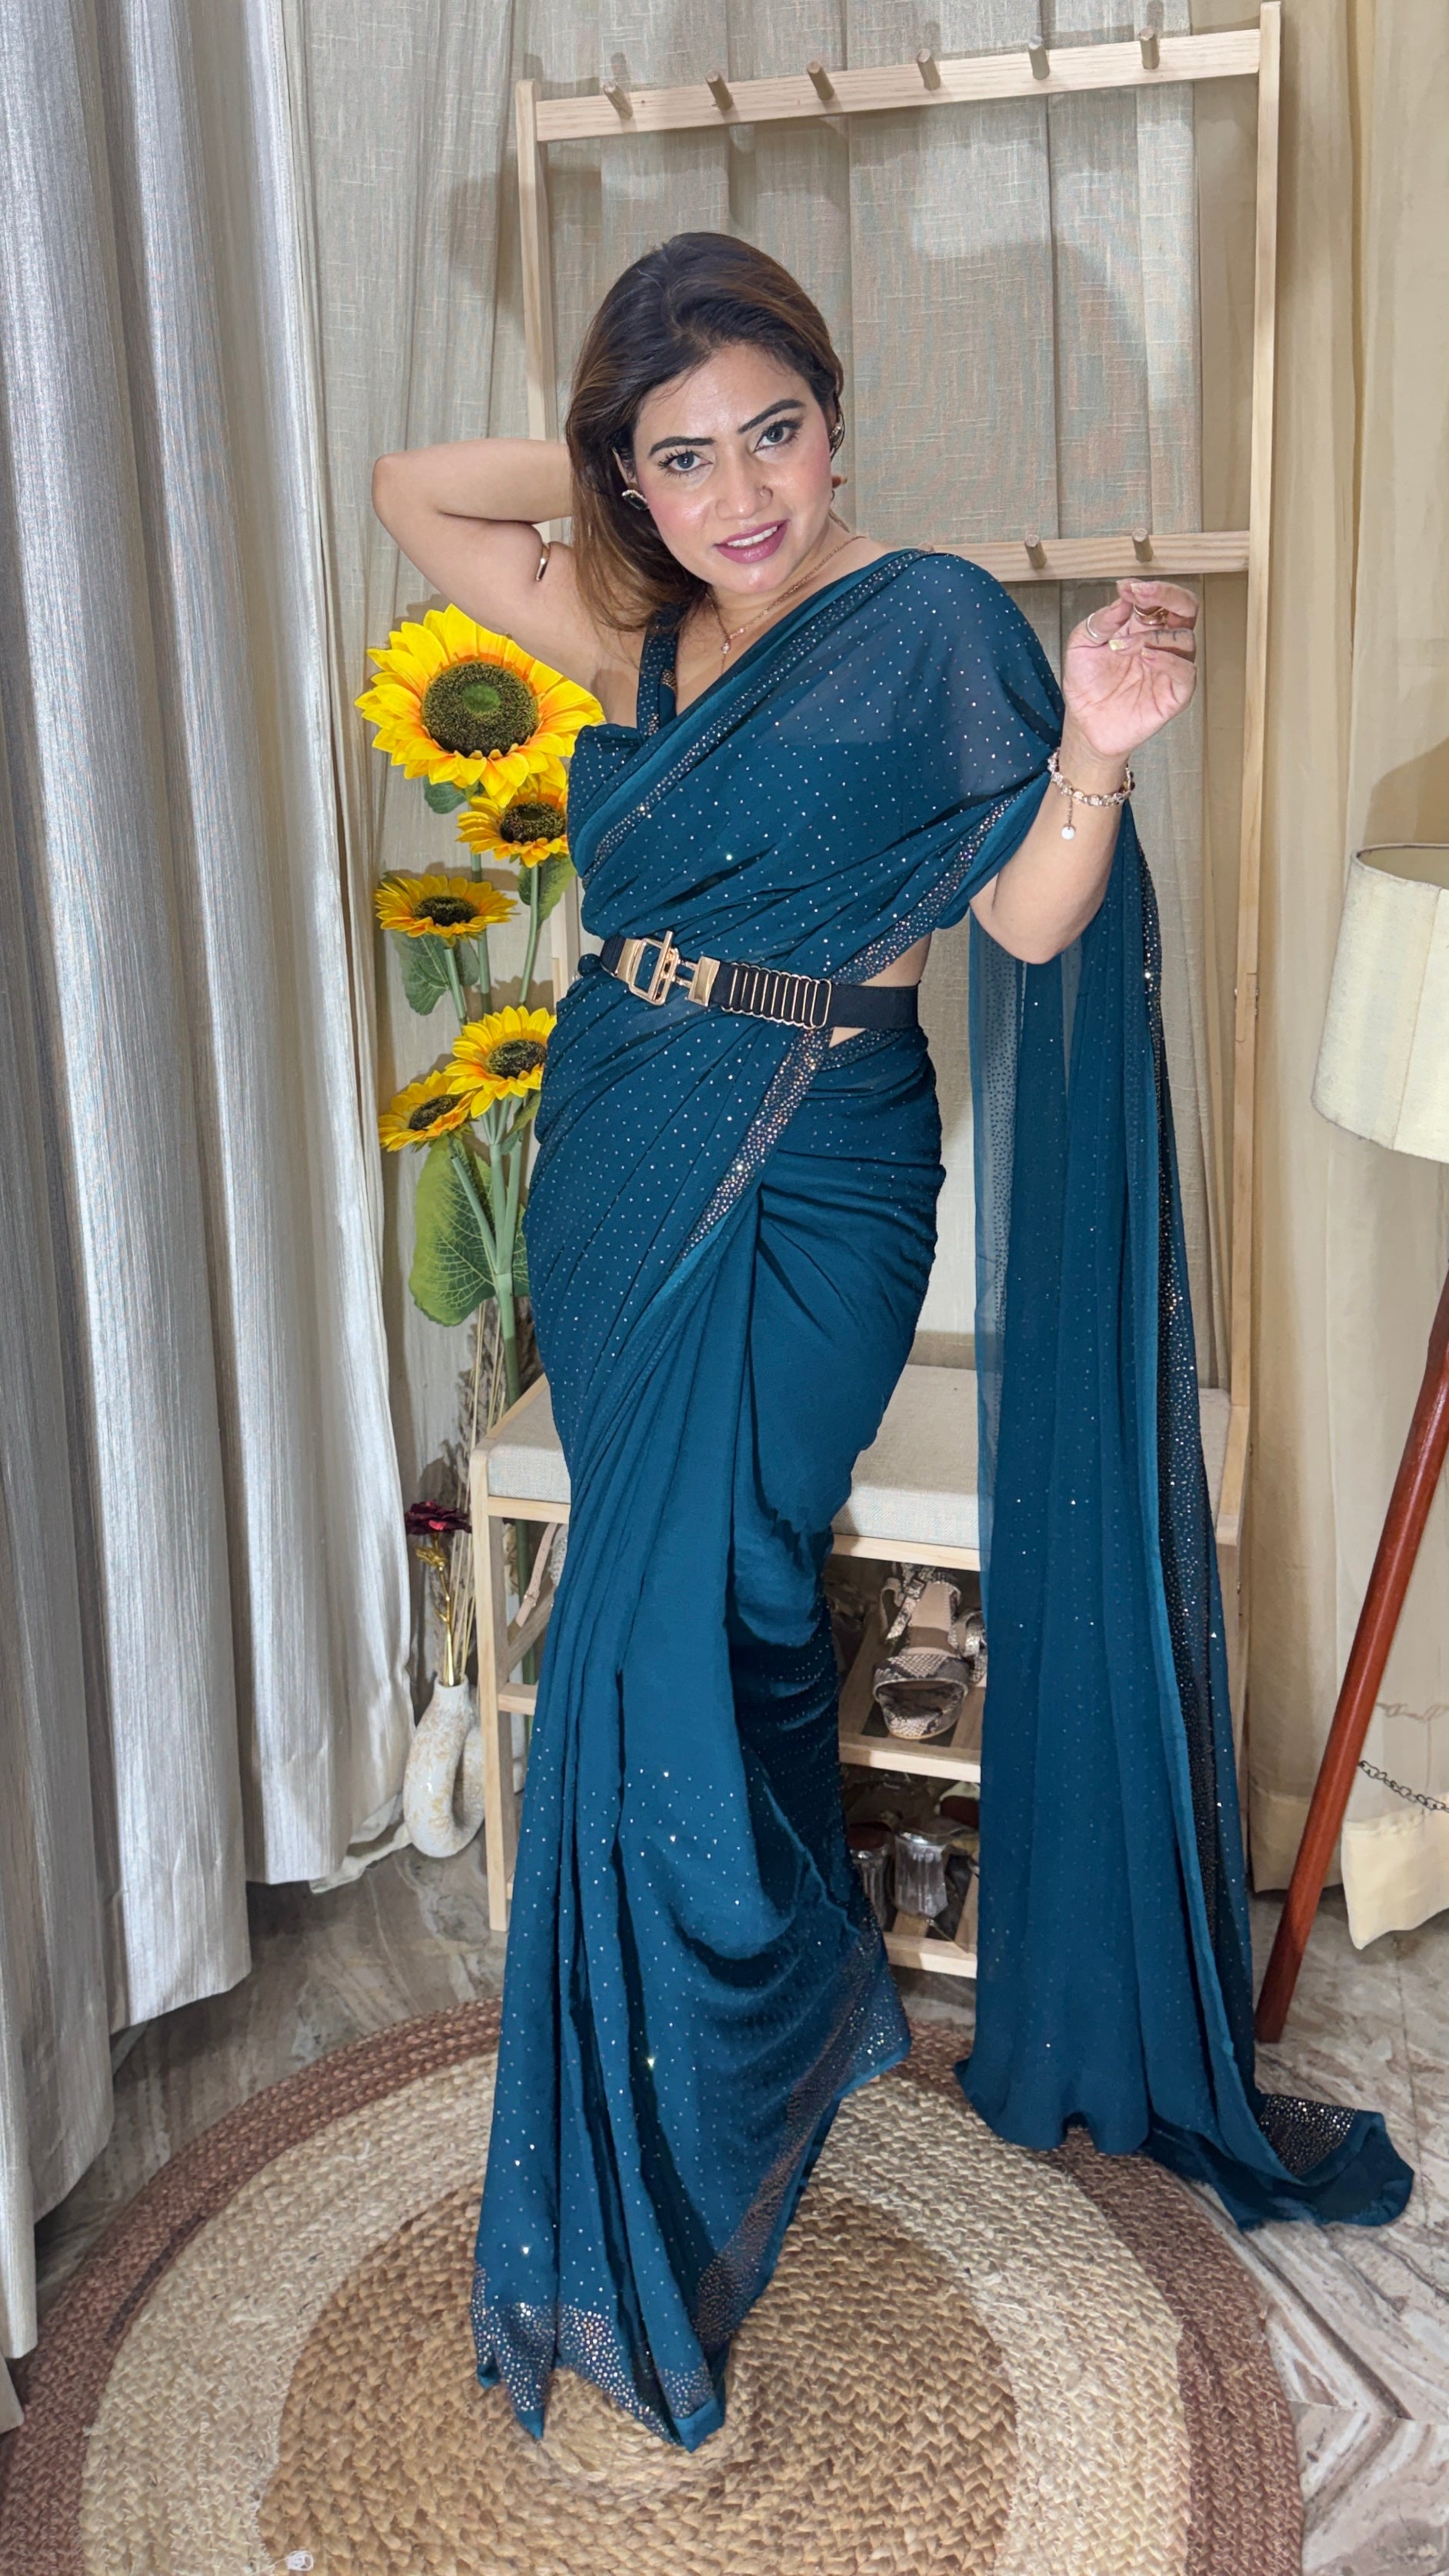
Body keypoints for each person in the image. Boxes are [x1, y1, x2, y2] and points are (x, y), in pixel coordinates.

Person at [371, 231, 1411, 2452]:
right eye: (681, 458)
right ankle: (774, 2004)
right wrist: (609, 460)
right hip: (620, 1138)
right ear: (628, 481)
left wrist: (1096, 748)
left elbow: (1028, 913)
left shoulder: (930, 623)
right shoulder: (639, 628)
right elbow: (413, 495)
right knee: (688, 1602)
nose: (739, 491)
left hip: (828, 1164)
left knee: (698, 1598)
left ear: (837, 424)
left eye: (774, 432)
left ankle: (734, 2035)